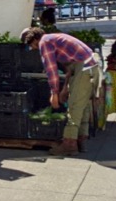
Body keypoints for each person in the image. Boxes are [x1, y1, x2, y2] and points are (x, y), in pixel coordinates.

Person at [21, 26, 99, 156]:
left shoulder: (44, 42)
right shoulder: (54, 38)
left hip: (84, 68)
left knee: (74, 106)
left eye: (33, 47)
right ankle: (81, 139)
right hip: (90, 67)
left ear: (34, 41)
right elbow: (70, 70)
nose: (35, 49)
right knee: (82, 104)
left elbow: (51, 71)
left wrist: (54, 93)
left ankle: (69, 144)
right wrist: (64, 89)